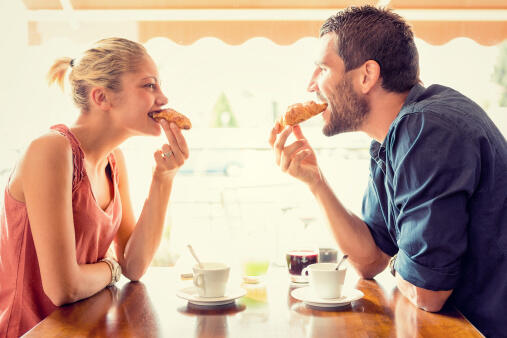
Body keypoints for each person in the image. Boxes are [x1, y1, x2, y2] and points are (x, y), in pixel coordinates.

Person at [269, 6, 506, 338]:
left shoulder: (426, 128)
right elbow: (369, 259)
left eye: (322, 68)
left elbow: (428, 293)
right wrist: (316, 181)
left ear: (367, 75)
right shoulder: (393, 138)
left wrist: (402, 259)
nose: (311, 85)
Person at [0, 37, 189, 337]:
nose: (163, 98)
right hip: (32, 332)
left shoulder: (114, 161)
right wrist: (111, 268)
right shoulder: (50, 151)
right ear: (102, 98)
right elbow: (65, 288)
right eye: (149, 85)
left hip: (83, 329)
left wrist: (163, 177)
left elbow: (134, 266)